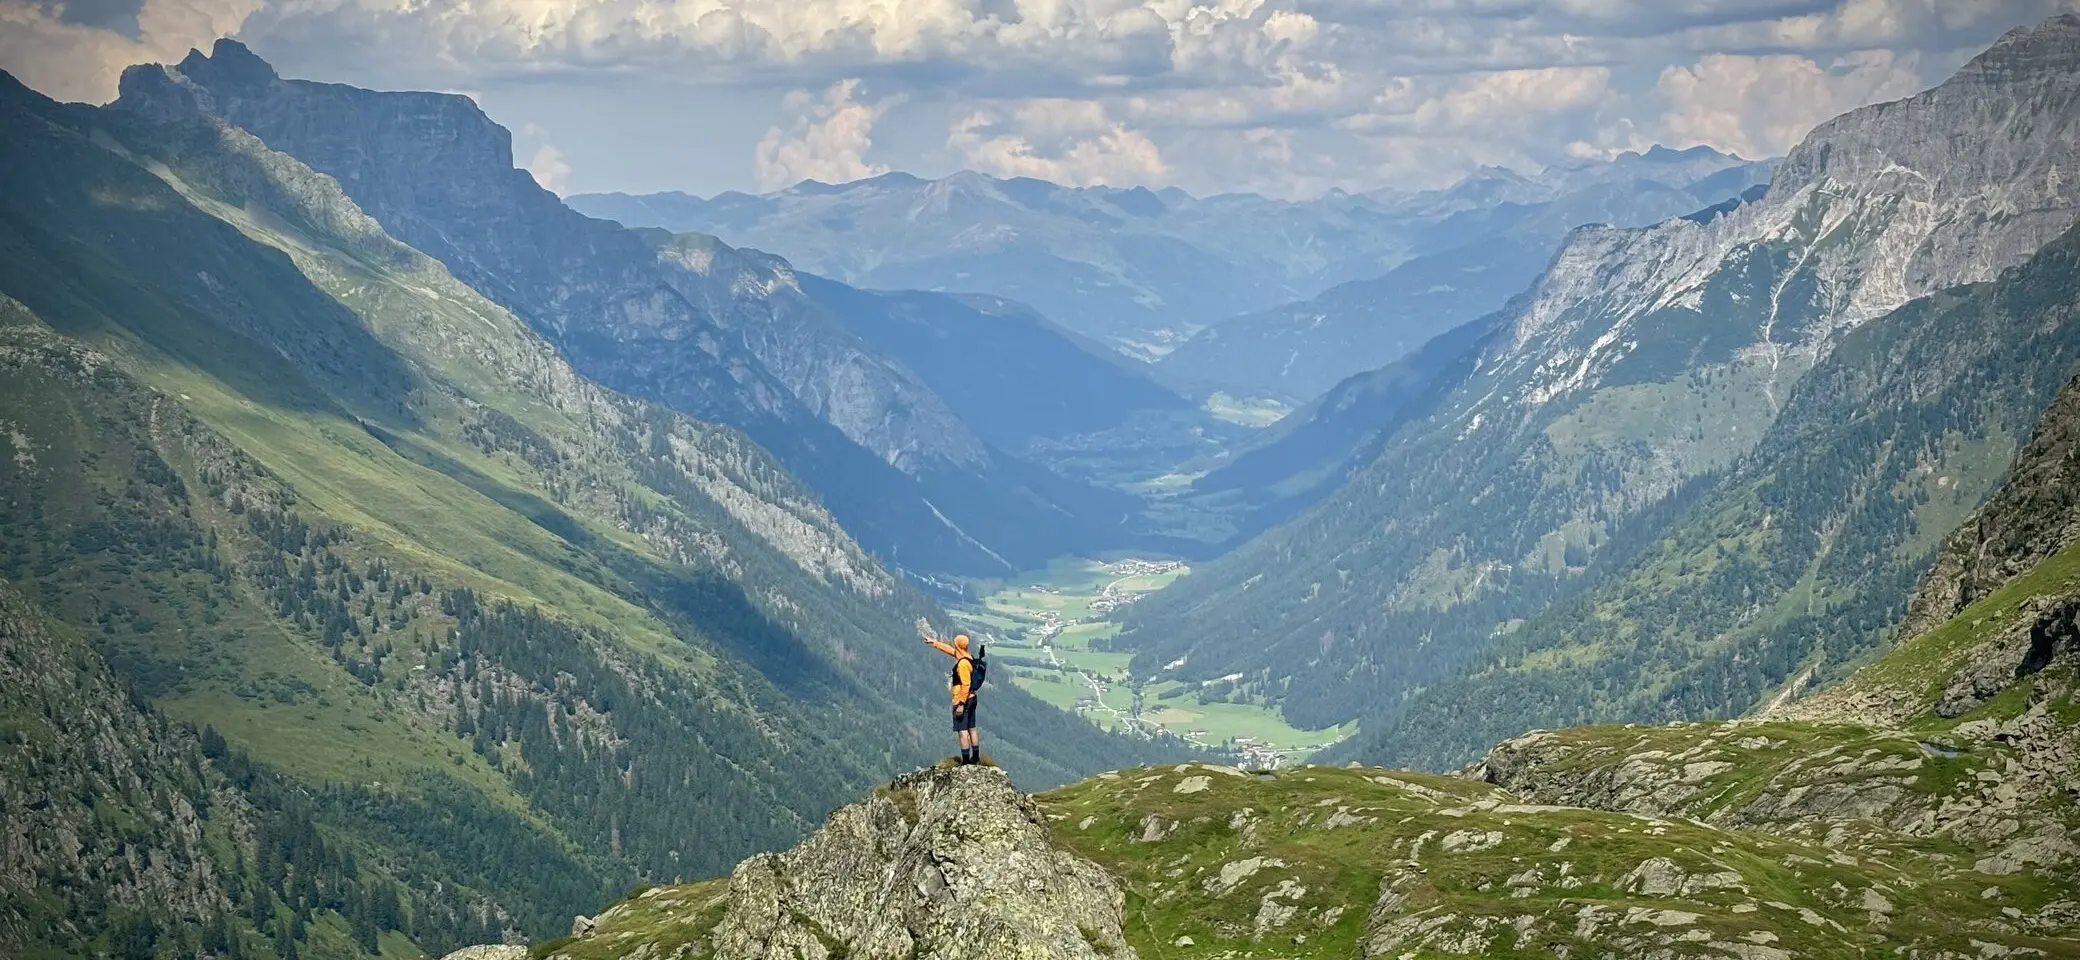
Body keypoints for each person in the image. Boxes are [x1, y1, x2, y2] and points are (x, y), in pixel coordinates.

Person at [926, 632, 982, 764]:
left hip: (964, 700)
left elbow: (966, 684)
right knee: (972, 729)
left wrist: (961, 704)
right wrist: (935, 643)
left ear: (957, 644)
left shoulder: (962, 665)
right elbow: (951, 651)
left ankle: (966, 762)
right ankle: (975, 757)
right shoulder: (968, 657)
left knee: (962, 732)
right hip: (973, 698)